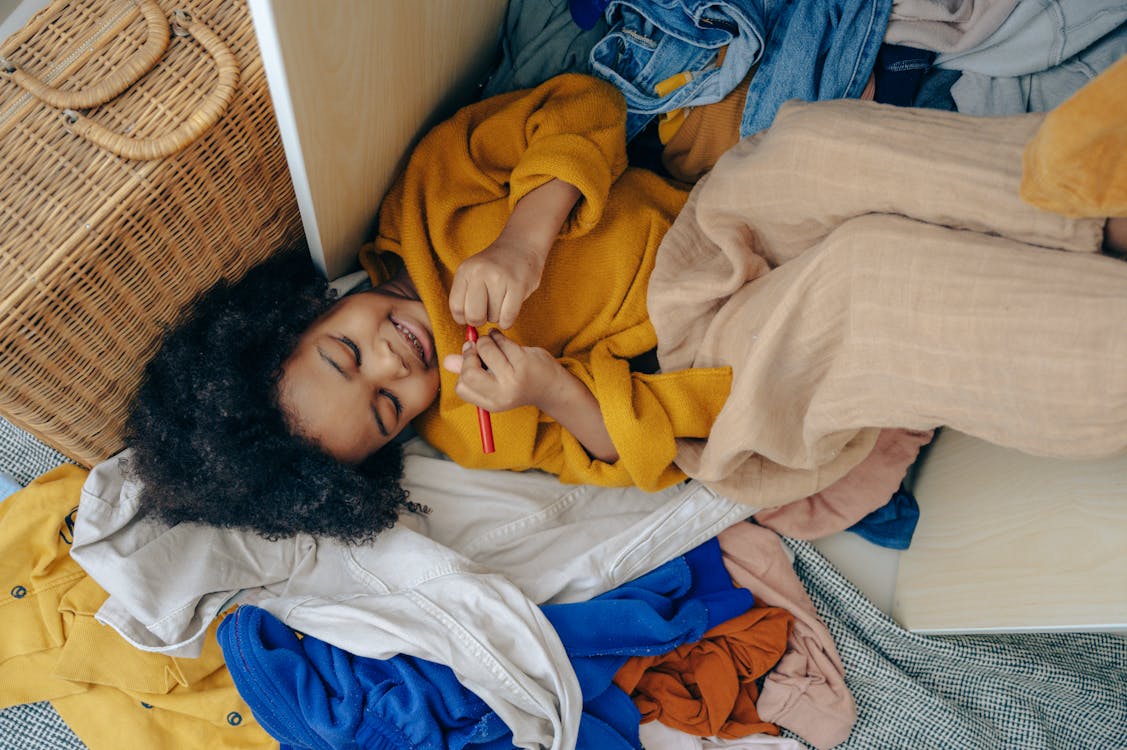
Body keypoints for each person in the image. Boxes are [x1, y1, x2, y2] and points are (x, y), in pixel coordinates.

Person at [126, 73, 1127, 543]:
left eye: (347, 356)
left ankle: (1092, 198)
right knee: (860, 285)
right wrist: (552, 387)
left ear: (301, 318)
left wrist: (523, 234)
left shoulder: (427, 198)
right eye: (388, 407)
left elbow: (581, 110)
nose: (398, 364)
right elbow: (627, 458)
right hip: (709, 362)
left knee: (811, 149)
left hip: (703, 226)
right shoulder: (473, 426)